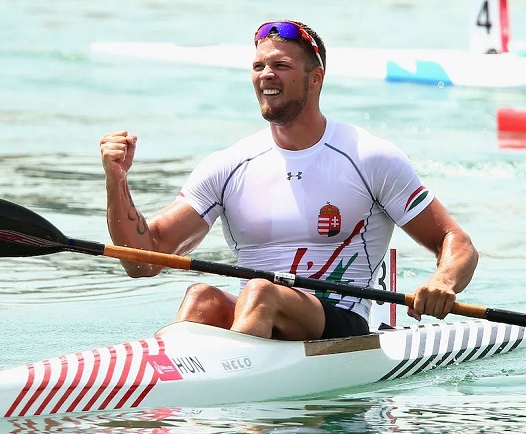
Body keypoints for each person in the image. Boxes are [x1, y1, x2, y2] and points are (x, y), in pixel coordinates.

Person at [99, 20, 478, 340]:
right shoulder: (228, 165)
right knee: (202, 297)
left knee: (262, 293)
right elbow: (143, 260)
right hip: (258, 317)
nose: (266, 74)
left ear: (316, 79)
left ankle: (235, 389)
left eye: (280, 65)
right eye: (258, 66)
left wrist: (443, 281)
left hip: (341, 325)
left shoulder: (368, 157)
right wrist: (117, 182)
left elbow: (455, 240)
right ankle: (161, 391)